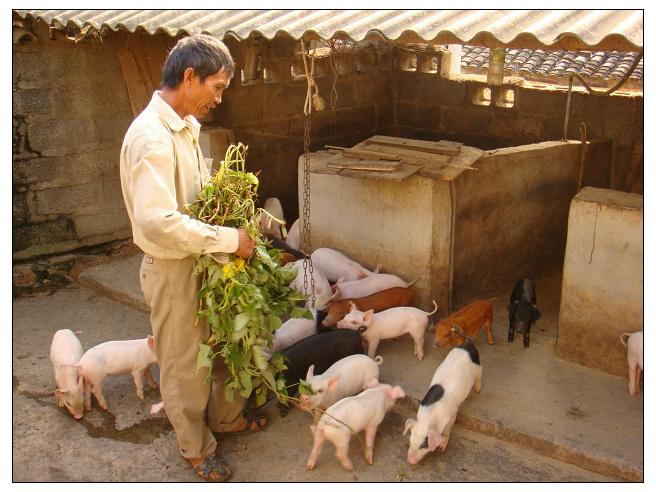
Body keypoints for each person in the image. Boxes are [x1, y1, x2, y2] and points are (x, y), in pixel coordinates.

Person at [119, 34, 262, 482]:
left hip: (200, 257)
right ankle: (196, 449)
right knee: (184, 364)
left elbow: (191, 198)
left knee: (221, 344)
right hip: (173, 266)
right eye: (216, 87)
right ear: (188, 77)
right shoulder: (152, 139)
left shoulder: (182, 127)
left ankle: (225, 418)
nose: (219, 99)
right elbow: (159, 221)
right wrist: (226, 238)